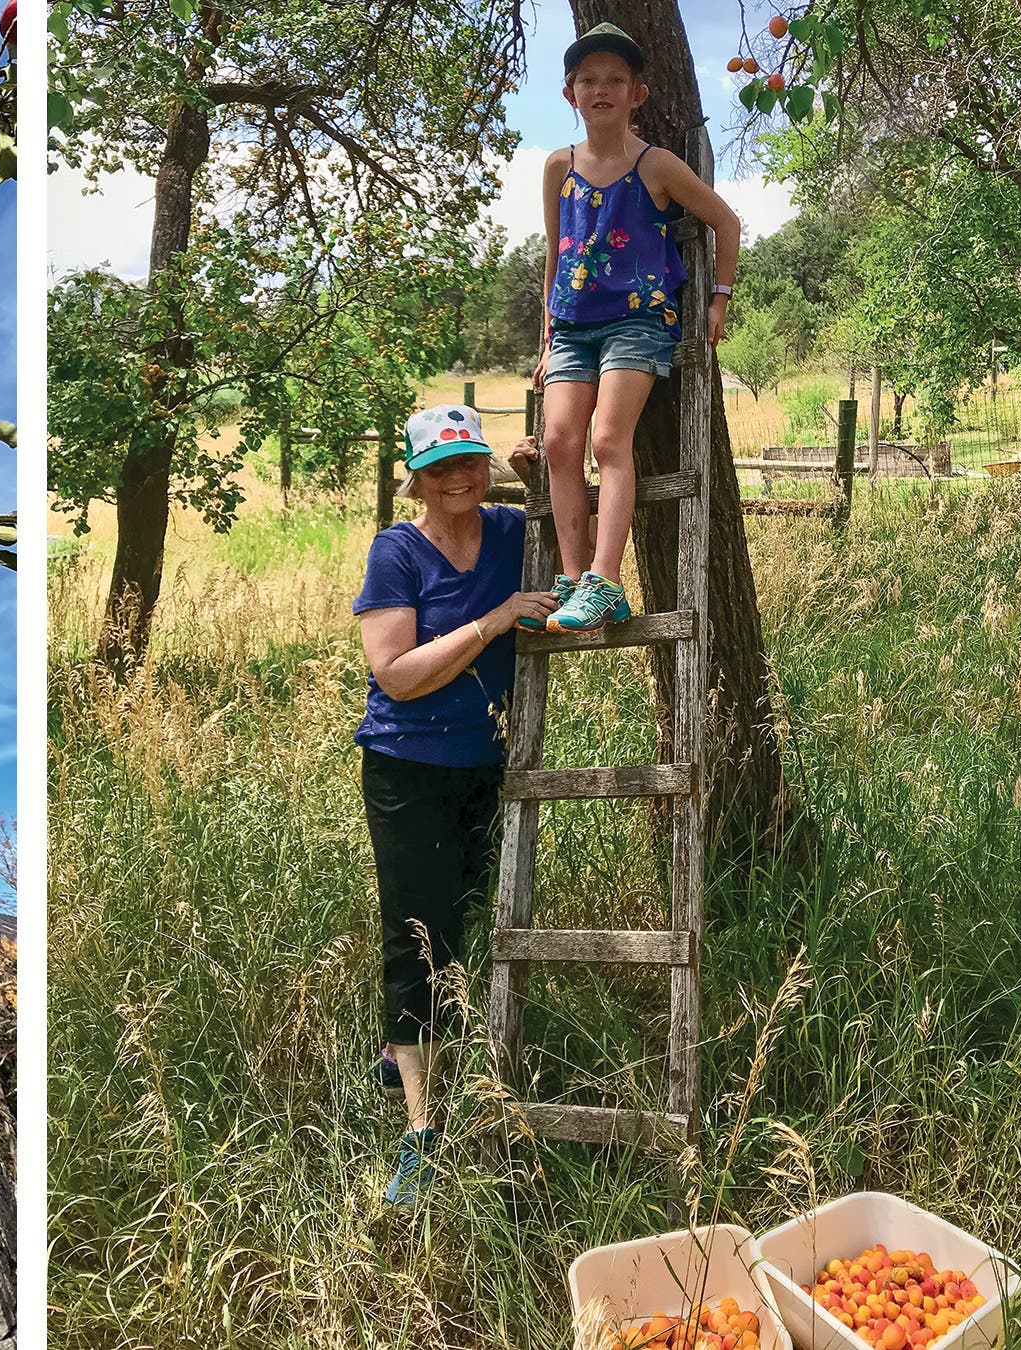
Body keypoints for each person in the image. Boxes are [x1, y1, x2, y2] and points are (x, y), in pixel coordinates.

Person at [353, 407, 556, 1201]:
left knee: (465, 912)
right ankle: (421, 1129)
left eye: (469, 461)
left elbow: (590, 543)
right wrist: (495, 619)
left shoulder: (512, 531)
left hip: (489, 761)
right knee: (416, 934)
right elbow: (396, 673)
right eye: (440, 469)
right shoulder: (397, 551)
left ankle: (402, 1045)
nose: (459, 478)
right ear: (418, 479)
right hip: (407, 766)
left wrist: (547, 475)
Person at [529, 21, 741, 633]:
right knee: (559, 443)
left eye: (615, 80)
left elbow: (726, 223)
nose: (602, 89)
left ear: (636, 94)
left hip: (638, 322)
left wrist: (718, 298)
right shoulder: (556, 167)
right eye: (588, 80)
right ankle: (573, 581)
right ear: (571, 93)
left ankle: (607, 582)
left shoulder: (656, 164)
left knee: (606, 441)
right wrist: (546, 337)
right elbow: (556, 254)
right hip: (571, 326)